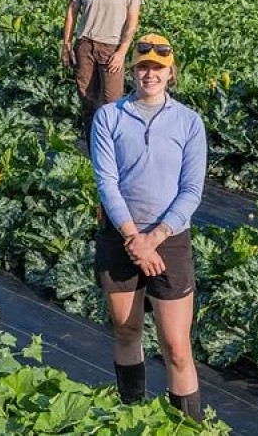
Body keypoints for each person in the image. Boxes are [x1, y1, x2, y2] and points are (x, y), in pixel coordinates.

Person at [91, 33, 206, 421]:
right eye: (143, 67)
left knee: (176, 346)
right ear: (132, 71)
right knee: (127, 332)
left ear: (171, 73)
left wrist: (153, 238)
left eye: (158, 67)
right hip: (120, 237)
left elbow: (192, 190)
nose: (149, 74)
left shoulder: (189, 122)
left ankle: (187, 427)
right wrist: (132, 237)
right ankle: (133, 417)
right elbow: (106, 182)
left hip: (169, 242)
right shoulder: (108, 116)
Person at [62, 0, 142, 143]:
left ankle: (113, 145)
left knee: (112, 102)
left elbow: (132, 22)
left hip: (112, 48)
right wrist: (66, 44)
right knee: (88, 99)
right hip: (86, 45)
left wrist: (121, 52)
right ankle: (92, 145)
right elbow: (72, 12)